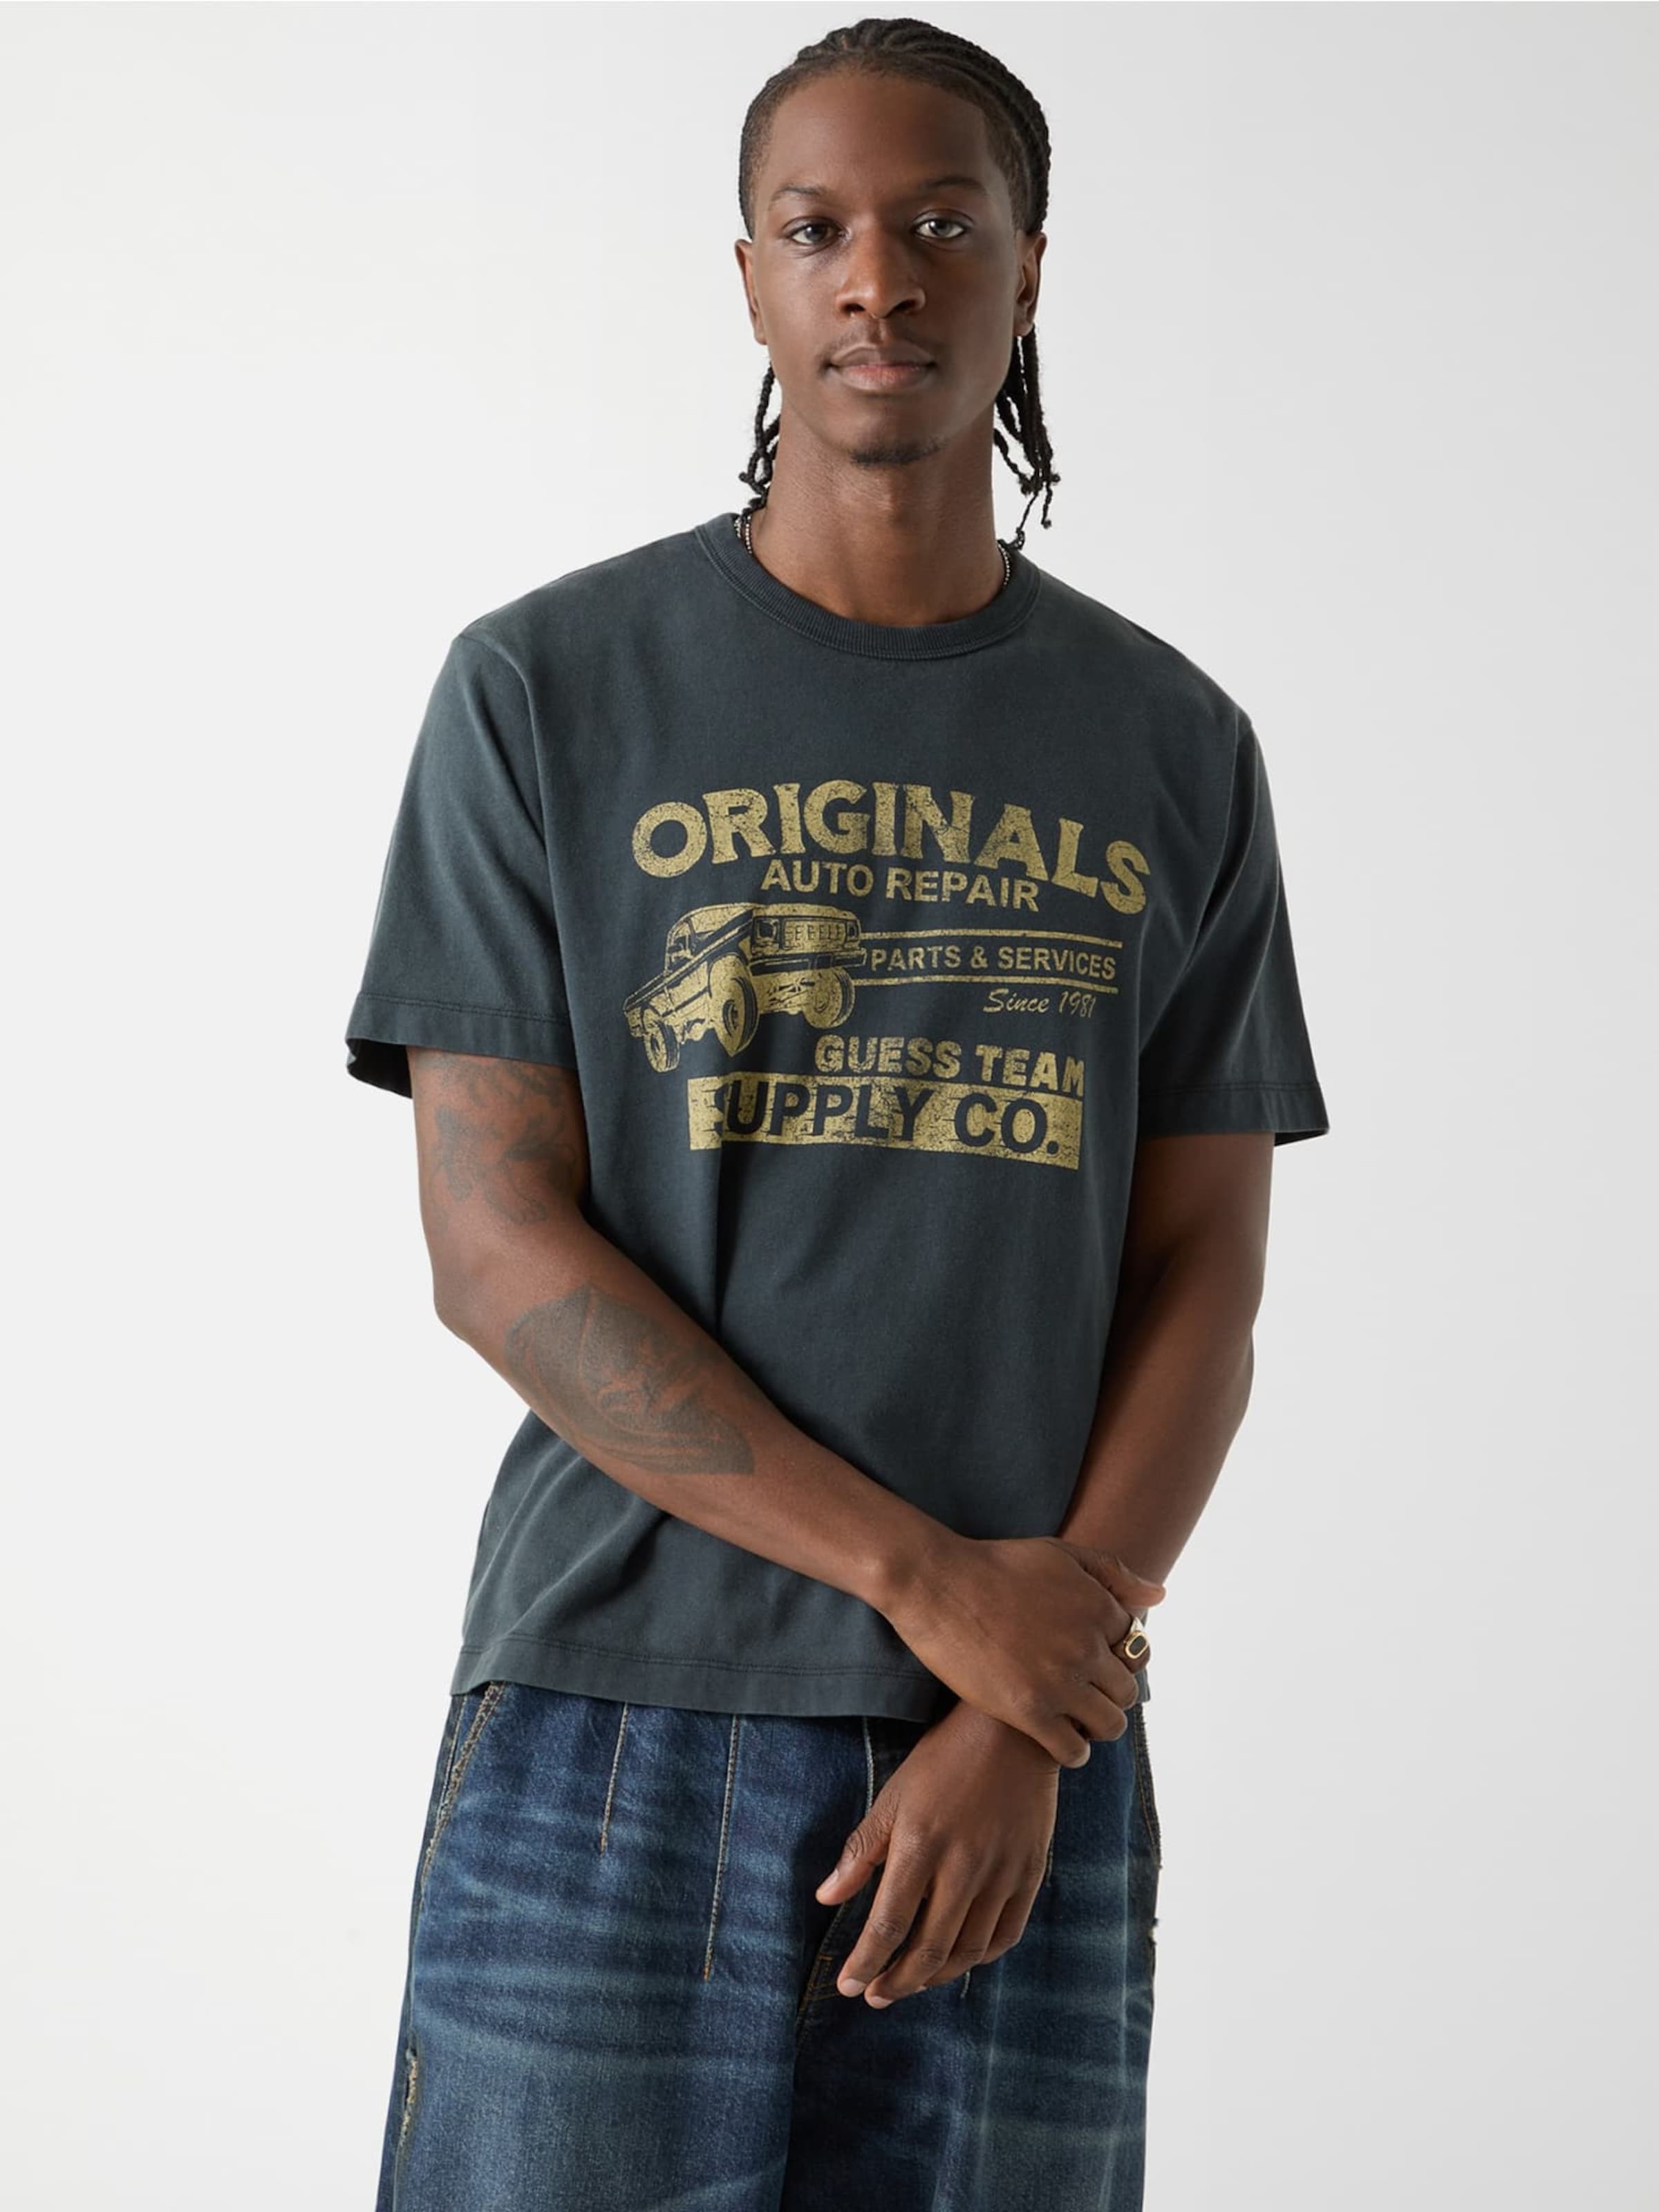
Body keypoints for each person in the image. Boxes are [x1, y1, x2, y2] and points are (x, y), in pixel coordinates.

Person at [343, 16, 1329, 2209]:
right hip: (621, 1713)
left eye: (943, 224)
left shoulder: (1173, 742)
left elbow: (1206, 1272)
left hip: (1028, 1740)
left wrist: (1038, 1679)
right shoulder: (544, 691)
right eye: (819, 229)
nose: (881, 275)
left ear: (1030, 267)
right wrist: (934, 1587)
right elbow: (494, 1251)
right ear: (752, 279)